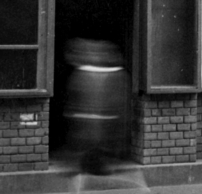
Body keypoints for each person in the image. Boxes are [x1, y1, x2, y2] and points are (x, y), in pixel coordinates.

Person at [63, 38, 148, 192]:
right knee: (97, 167)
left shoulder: (84, 75)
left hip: (95, 132)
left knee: (93, 168)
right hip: (101, 132)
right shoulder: (116, 75)